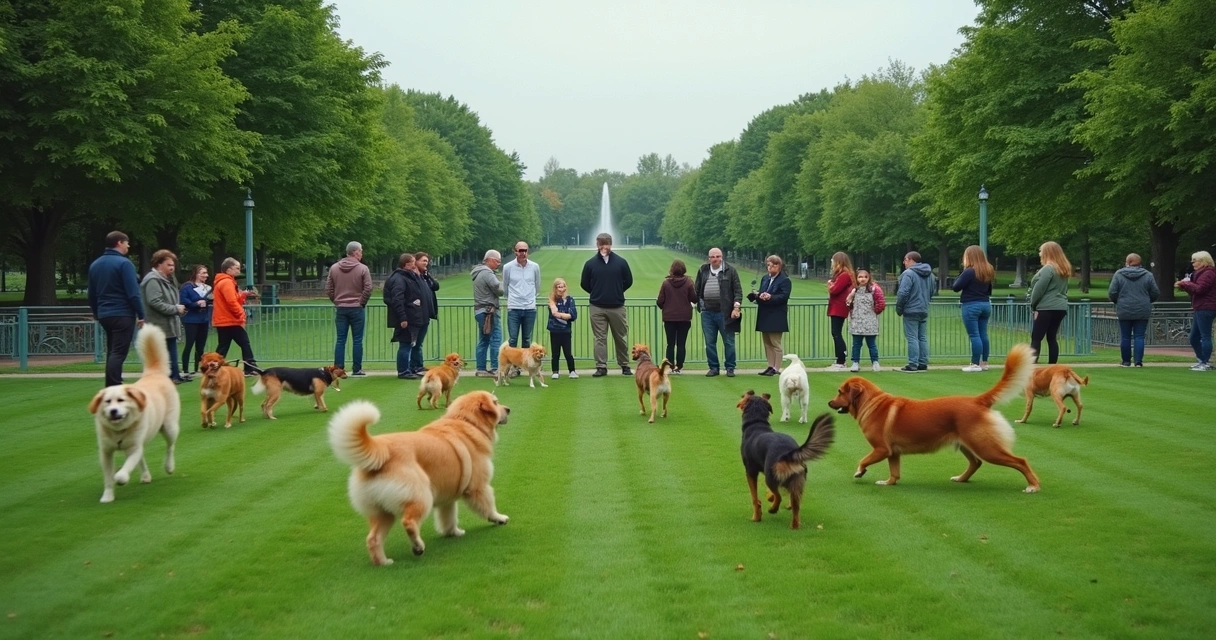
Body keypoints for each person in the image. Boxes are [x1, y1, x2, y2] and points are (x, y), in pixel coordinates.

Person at [87, 231, 145, 387]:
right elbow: (133, 293)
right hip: (122, 313)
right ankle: (114, 385)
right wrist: (141, 314)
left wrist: (96, 313)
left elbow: (91, 293)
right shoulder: (124, 264)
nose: (128, 246)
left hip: (105, 314)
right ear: (119, 243)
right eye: (127, 243)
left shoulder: (95, 264)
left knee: (112, 351)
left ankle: (111, 384)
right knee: (119, 352)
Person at [580, 233, 634, 377]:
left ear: (611, 244)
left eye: (607, 244)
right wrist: (598, 292)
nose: (604, 247)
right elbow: (584, 284)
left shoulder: (621, 262)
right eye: (602, 244)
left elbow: (628, 281)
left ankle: (624, 365)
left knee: (620, 337)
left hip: (617, 306)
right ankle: (601, 366)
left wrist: (616, 291)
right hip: (597, 307)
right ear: (597, 245)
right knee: (600, 338)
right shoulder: (590, 264)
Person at [140, 249, 189, 384]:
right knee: (160, 353)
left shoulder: (167, 279)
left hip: (168, 323)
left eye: (173, 264)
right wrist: (175, 309)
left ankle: (175, 375)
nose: (172, 267)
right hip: (157, 323)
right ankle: (164, 377)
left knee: (171, 350)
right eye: (168, 264)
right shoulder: (152, 280)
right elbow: (154, 301)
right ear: (158, 264)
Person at [694, 247, 742, 377]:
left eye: (718, 256)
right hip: (707, 312)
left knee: (729, 341)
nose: (715, 259)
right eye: (713, 257)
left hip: (725, 312)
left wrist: (736, 307)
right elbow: (697, 289)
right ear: (709, 258)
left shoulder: (730, 271)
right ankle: (713, 367)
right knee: (710, 342)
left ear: (722, 257)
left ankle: (730, 367)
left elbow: (737, 290)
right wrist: (697, 303)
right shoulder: (703, 270)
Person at [327, 241, 372, 376]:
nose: (362, 253)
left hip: (341, 307)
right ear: (356, 252)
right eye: (361, 251)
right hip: (357, 308)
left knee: (341, 339)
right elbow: (368, 288)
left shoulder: (334, 268)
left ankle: (338, 368)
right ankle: (357, 368)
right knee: (357, 340)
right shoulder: (363, 268)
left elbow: (329, 288)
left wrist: (336, 301)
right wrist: (361, 302)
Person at [1108, 253, 1160, 367]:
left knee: (1125, 336)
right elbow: (1155, 292)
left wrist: (1119, 301)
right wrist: (1147, 300)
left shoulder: (1119, 274)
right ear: (1139, 263)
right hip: (1142, 309)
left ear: (1128, 262)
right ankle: (1138, 362)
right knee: (1139, 336)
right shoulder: (1148, 275)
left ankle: (1126, 361)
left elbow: (1112, 292)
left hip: (1124, 309)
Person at [212, 257, 259, 376]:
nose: (239, 270)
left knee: (223, 346)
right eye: (237, 268)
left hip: (225, 320)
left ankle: (213, 367)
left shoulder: (225, 281)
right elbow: (231, 301)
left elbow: (233, 299)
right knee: (244, 342)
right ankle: (250, 367)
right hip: (230, 320)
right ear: (228, 269)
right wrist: (241, 314)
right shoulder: (227, 282)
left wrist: (243, 295)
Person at [384, 253, 427, 380]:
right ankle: (403, 370)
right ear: (406, 264)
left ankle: (408, 368)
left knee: (408, 344)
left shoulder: (405, 277)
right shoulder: (400, 279)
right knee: (405, 344)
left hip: (410, 315)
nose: (415, 265)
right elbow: (397, 299)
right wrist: (403, 318)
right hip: (406, 317)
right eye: (413, 262)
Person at [1029, 241, 1072, 364]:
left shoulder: (1048, 269)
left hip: (1046, 307)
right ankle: (1053, 366)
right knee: (1052, 338)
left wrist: (1034, 306)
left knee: (1036, 338)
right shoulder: (1063, 269)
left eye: (1041, 250)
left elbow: (1039, 289)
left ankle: (1032, 366)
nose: (1039, 253)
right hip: (1060, 307)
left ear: (1047, 253)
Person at [953, 245, 995, 372]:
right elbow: (989, 289)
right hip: (985, 304)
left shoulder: (970, 271)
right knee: (983, 334)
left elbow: (956, 287)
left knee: (974, 335)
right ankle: (984, 362)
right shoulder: (989, 269)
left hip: (971, 305)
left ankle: (975, 363)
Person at [503, 241, 541, 376]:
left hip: (530, 307)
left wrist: (529, 298)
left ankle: (526, 365)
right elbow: (505, 286)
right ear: (515, 251)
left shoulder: (535, 267)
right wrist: (513, 299)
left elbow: (537, 286)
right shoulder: (508, 267)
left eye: (525, 250)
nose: (523, 253)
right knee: (512, 339)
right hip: (514, 307)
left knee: (526, 339)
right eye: (520, 250)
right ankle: (513, 367)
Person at [749, 255, 791, 376]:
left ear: (780, 266)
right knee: (767, 342)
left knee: (775, 343)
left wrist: (770, 297)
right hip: (764, 313)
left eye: (774, 265)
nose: (771, 267)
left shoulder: (784, 280)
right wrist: (758, 295)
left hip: (776, 315)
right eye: (768, 265)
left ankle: (777, 367)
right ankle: (770, 365)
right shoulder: (765, 278)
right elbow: (763, 291)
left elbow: (784, 296)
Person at [895, 251, 936, 373]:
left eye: (905, 260)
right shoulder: (930, 275)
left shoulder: (908, 274)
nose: (904, 262)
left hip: (911, 309)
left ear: (910, 260)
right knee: (922, 337)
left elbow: (903, 293)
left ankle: (913, 363)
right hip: (923, 308)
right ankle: (923, 362)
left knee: (912, 337)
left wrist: (899, 308)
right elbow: (932, 291)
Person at [1175, 250, 1215, 371]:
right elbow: (1195, 291)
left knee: (1205, 336)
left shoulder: (1208, 273)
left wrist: (1186, 284)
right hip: (1200, 306)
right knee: (1193, 337)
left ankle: (1205, 362)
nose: (1192, 263)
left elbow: (1200, 289)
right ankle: (1202, 359)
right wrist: (1184, 286)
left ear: (1203, 261)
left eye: (1195, 260)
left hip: (1206, 307)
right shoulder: (1201, 273)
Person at [656, 259, 698, 374]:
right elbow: (694, 299)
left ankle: (670, 366)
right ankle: (679, 367)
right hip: (685, 317)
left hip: (669, 317)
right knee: (681, 343)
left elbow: (660, 301)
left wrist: (666, 308)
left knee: (670, 344)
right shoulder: (689, 282)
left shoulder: (666, 283)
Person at [471, 250, 504, 377]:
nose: (499, 264)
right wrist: (501, 281)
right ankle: (496, 367)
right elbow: (500, 290)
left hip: (480, 310)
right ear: (489, 260)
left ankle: (481, 368)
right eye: (497, 261)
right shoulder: (487, 273)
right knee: (495, 339)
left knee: (483, 340)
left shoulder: (477, 272)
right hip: (489, 311)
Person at [846, 268, 885, 372]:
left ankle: (875, 362)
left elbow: (881, 303)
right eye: (860, 277)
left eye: (865, 277)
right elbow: (848, 303)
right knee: (856, 344)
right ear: (857, 278)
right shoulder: (854, 290)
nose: (863, 279)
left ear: (869, 278)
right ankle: (855, 362)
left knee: (871, 344)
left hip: (870, 321)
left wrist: (874, 312)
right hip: (857, 321)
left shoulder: (874, 289)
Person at [179, 264, 212, 376]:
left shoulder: (207, 288)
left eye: (206, 273)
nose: (206, 275)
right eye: (203, 273)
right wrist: (196, 304)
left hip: (204, 319)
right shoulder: (187, 287)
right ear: (196, 274)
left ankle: (198, 368)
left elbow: (210, 301)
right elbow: (183, 301)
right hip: (191, 320)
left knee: (200, 346)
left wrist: (210, 301)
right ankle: (185, 369)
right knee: (189, 344)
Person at [826, 252, 856, 371]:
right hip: (837, 306)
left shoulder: (844, 275)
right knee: (835, 333)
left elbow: (835, 290)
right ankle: (839, 358)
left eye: (833, 261)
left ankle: (841, 360)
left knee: (836, 333)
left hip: (839, 307)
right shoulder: (843, 274)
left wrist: (830, 285)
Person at [412, 252, 440, 375]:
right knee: (414, 342)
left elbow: (436, 286)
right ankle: (412, 366)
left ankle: (418, 365)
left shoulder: (424, 277)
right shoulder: (413, 277)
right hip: (416, 314)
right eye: (423, 260)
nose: (425, 263)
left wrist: (427, 275)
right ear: (416, 261)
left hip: (426, 314)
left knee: (419, 343)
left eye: (427, 261)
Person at [546, 278, 578, 379]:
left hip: (566, 330)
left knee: (568, 352)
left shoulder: (570, 299)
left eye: (563, 286)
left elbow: (573, 315)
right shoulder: (552, 299)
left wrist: (561, 315)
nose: (561, 289)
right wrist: (564, 315)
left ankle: (572, 371)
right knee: (555, 353)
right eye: (559, 287)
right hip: (554, 330)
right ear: (555, 288)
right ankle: (555, 371)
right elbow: (554, 312)